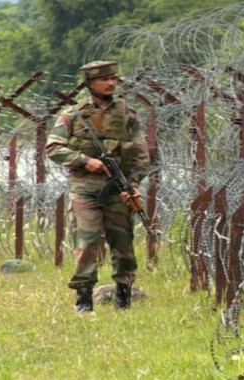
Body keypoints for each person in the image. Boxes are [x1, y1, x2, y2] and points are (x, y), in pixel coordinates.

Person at [45, 61, 149, 312]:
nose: (111, 83)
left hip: (118, 187)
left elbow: (141, 154)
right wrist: (84, 160)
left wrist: (132, 186)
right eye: (104, 80)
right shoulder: (73, 114)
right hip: (85, 186)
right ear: (90, 84)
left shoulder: (128, 114)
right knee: (87, 239)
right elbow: (53, 148)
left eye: (113, 78)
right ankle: (84, 298)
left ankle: (124, 294)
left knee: (122, 240)